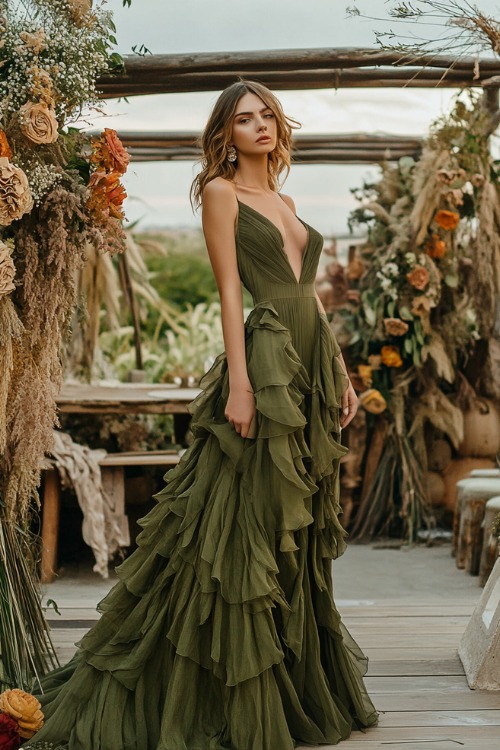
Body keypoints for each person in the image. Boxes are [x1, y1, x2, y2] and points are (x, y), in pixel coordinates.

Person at [33, 79, 379, 749]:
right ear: (224, 135)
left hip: (309, 364)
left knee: (292, 524)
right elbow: (231, 293)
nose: (260, 127)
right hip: (269, 363)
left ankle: (291, 672)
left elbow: (308, 294)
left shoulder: (284, 198)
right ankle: (222, 688)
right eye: (244, 119)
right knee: (239, 521)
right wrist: (240, 384)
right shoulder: (221, 195)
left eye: (266, 116)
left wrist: (338, 371)